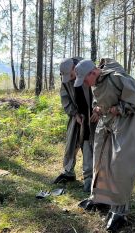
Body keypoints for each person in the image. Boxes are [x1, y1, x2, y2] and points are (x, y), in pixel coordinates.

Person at [74, 58, 135, 232]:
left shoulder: (117, 77)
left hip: (127, 124)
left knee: (120, 165)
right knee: (99, 160)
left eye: (85, 79)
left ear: (92, 73)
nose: (85, 84)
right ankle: (100, 198)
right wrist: (98, 108)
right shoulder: (96, 81)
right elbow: (102, 97)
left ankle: (120, 210)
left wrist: (120, 108)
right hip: (107, 123)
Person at [53, 57, 98, 192]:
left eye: (72, 75)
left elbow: (99, 91)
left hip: (93, 115)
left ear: (75, 68)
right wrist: (74, 114)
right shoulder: (66, 77)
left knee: (88, 144)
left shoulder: (88, 70)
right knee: (71, 143)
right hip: (77, 115)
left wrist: (99, 109)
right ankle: (68, 172)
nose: (70, 79)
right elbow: (65, 97)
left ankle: (90, 178)